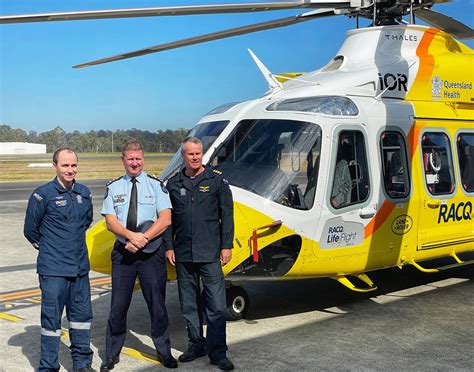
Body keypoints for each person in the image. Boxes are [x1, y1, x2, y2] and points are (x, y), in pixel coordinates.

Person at [100, 139, 177, 370]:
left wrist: (142, 238)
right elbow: (110, 222)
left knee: (157, 306)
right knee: (118, 307)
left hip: (151, 254)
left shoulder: (156, 185)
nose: (135, 163)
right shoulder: (114, 187)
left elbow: (165, 219)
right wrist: (130, 237)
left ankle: (165, 352)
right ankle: (111, 355)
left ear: (143, 159)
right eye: (131, 159)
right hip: (123, 254)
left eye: (139, 159)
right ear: (123, 160)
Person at [164, 137, 235, 371]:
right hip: (184, 255)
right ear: (183, 156)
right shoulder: (174, 184)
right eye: (190, 154)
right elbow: (168, 221)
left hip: (210, 253)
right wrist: (169, 247)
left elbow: (227, 214)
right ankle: (196, 345)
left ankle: (218, 352)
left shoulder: (216, 180)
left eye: (198, 153)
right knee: (189, 305)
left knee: (216, 305)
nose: (195, 157)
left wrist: (227, 246)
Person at [24, 148, 94, 372]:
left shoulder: (84, 193)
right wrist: (51, 249)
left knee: (81, 320)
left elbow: (86, 222)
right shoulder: (42, 195)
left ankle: (82, 364)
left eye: (73, 165)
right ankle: (48, 367)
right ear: (55, 166)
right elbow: (30, 231)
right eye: (65, 165)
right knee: (51, 322)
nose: (70, 170)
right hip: (53, 270)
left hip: (80, 270)